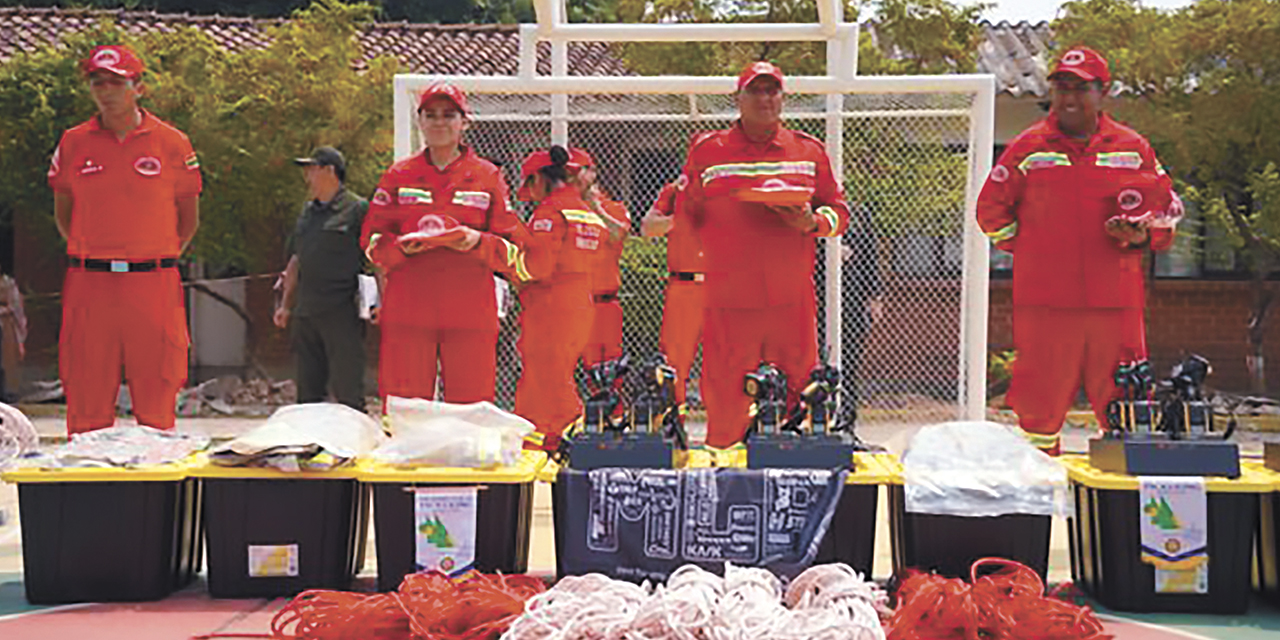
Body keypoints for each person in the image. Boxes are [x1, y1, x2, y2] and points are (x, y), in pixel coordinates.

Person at [976, 47, 1181, 455]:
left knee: (1128, 405)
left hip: (1116, 304)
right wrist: (1033, 251)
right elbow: (990, 211)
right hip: (1046, 306)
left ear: (1102, 91)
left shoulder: (1132, 146)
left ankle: (1117, 507)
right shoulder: (1028, 147)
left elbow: (1166, 211)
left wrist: (1143, 237)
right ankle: (1036, 502)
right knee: (1038, 412)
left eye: (1080, 88)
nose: (1069, 98)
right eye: (1061, 88)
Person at [678, 61, 851, 449]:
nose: (764, 99)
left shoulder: (808, 150)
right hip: (729, 299)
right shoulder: (709, 150)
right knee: (725, 396)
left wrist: (811, 223)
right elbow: (687, 214)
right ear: (738, 99)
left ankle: (799, 476)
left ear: (783, 98)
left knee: (802, 393)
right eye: (755, 91)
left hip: (791, 301)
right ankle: (724, 475)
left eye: (772, 91)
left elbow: (839, 214)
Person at [49, 44, 201, 435]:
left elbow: (188, 219)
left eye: (116, 82)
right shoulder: (73, 142)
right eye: (97, 81)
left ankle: (154, 487)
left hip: (153, 283)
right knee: (86, 389)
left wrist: (150, 256)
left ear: (139, 87)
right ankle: (86, 487)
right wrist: (97, 251)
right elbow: (65, 213)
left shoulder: (172, 143)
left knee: (157, 387)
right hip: (90, 283)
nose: (105, 90)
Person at [360, 83, 525, 408]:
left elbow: (513, 246)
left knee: (470, 411)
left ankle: (466, 459)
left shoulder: (487, 176)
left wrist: (476, 241)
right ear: (419, 121)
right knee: (404, 409)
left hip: (469, 309)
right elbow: (371, 241)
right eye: (431, 114)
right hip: (410, 307)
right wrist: (400, 250)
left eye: (449, 115)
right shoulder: (399, 175)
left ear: (465, 122)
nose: (439, 122)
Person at [513, 146, 605, 451]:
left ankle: (582, 439)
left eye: (530, 185)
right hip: (579, 301)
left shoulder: (550, 213)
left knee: (551, 379)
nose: (531, 194)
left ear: (539, 179)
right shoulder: (584, 212)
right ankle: (535, 442)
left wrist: (504, 262)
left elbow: (537, 268)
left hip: (551, 304)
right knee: (544, 377)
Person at [274, 146, 369, 411]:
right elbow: (296, 259)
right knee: (308, 392)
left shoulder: (357, 209)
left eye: (312, 169)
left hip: (341, 313)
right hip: (306, 313)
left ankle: (352, 446)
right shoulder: (308, 213)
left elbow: (377, 259)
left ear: (330, 171)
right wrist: (285, 304)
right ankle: (310, 447)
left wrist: (379, 301)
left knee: (347, 387)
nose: (307, 177)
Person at [641, 174, 705, 412]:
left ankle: (729, 426)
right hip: (684, 284)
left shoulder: (729, 187)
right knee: (675, 359)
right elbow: (648, 228)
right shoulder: (675, 192)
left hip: (722, 285)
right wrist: (681, 216)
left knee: (727, 358)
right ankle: (674, 417)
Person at [574, 148, 631, 367]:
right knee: (587, 369)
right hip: (578, 302)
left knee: (611, 369)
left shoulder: (612, 208)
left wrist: (595, 208)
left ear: (592, 173)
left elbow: (618, 234)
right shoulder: (568, 208)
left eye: (579, 171)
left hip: (606, 302)